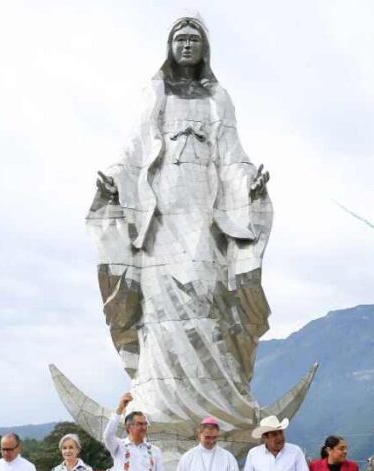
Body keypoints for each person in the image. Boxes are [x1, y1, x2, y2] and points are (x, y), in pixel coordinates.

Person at [85, 11, 275, 439]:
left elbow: (232, 155)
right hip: (161, 208)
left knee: (206, 292)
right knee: (159, 297)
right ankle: (157, 399)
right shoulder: (156, 95)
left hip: (205, 208)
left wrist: (249, 185)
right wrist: (115, 180)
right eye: (180, 39)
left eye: (194, 39)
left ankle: (219, 401)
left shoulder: (217, 99)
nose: (187, 45)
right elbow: (133, 149)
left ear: (205, 47)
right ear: (169, 48)